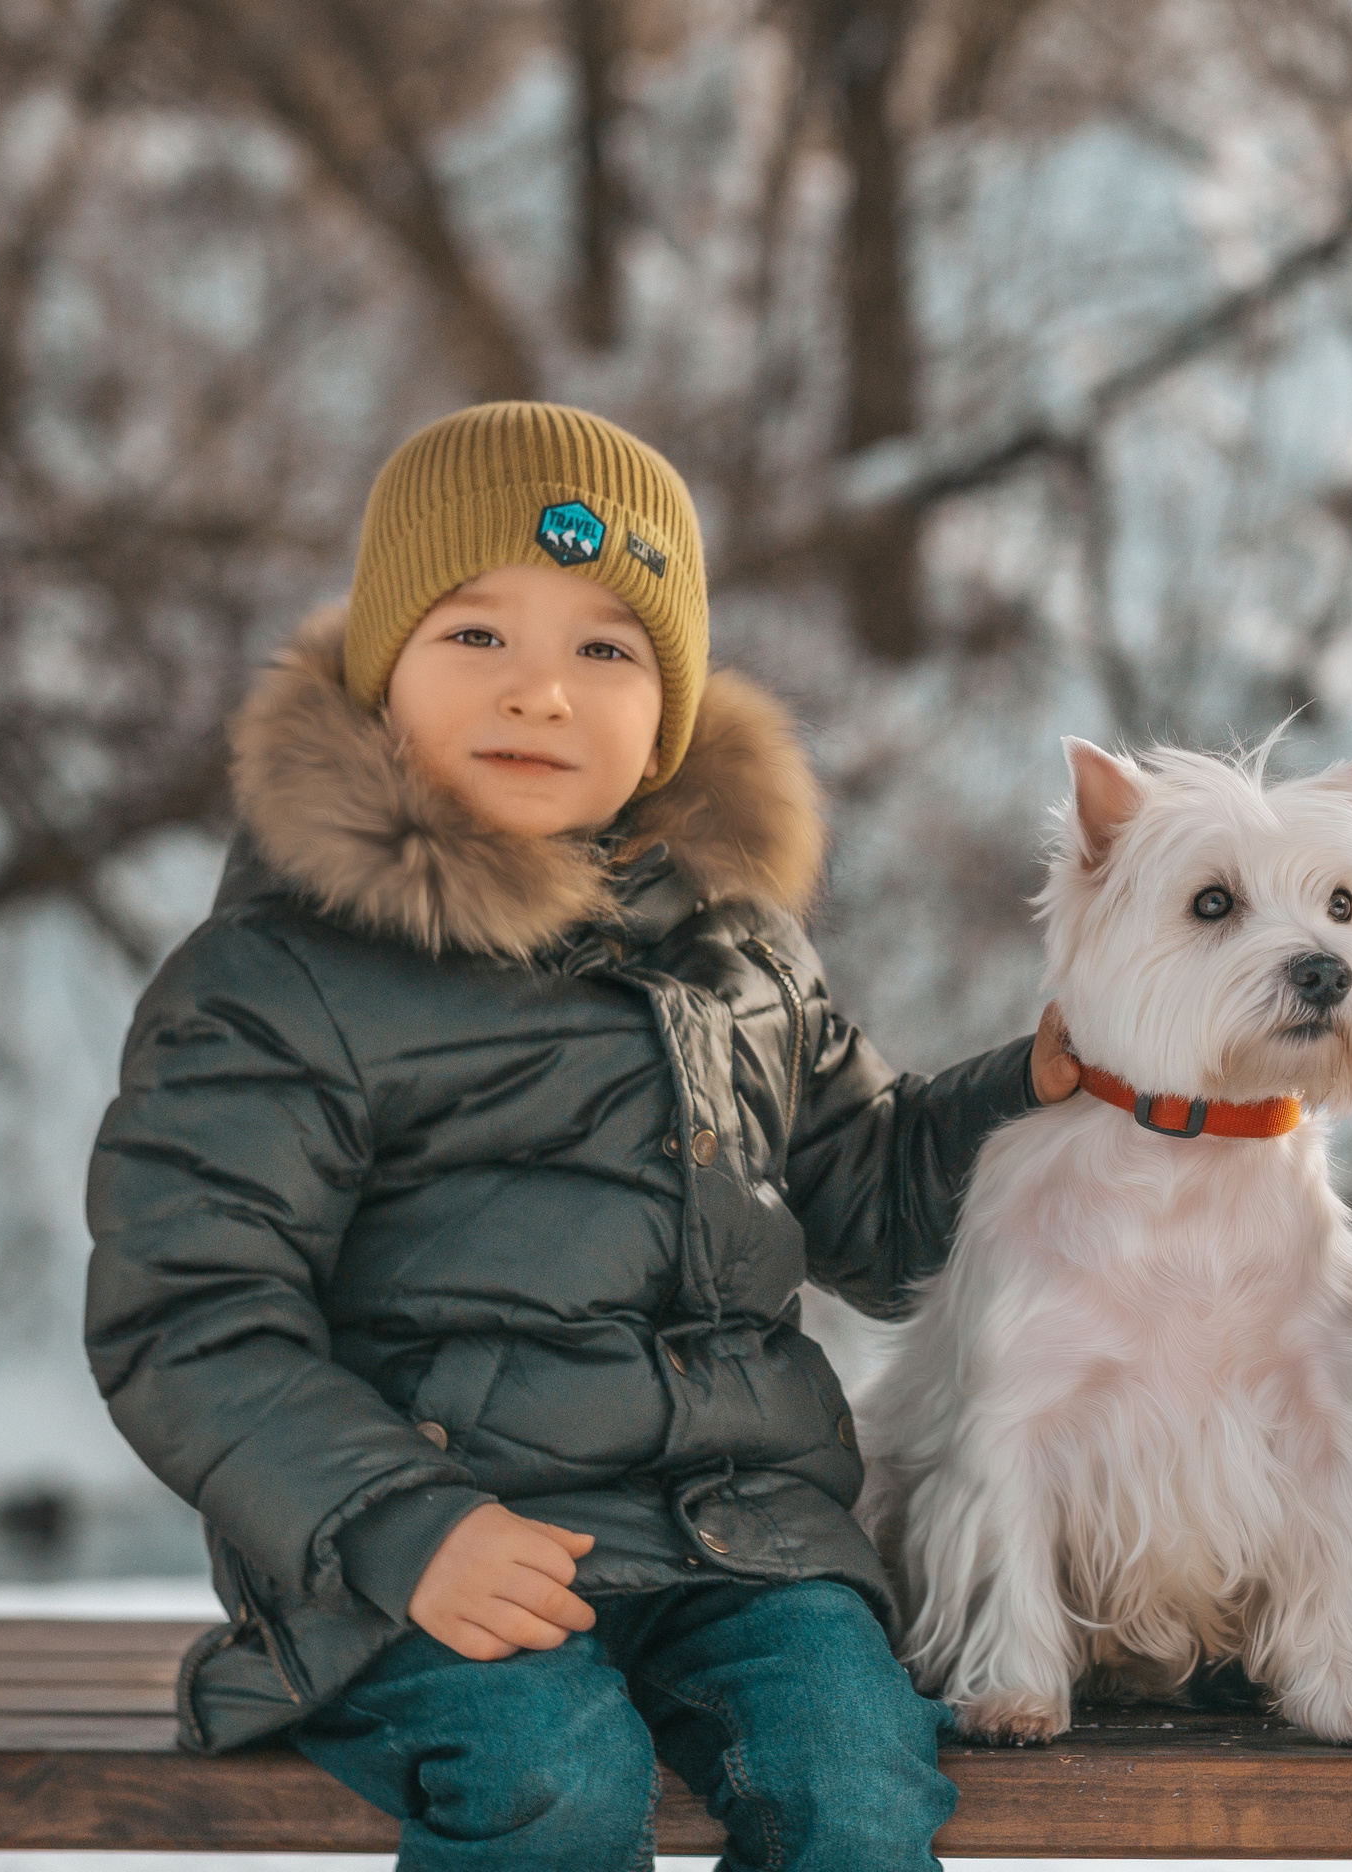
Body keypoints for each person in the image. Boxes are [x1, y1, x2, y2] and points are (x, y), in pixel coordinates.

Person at [84, 400, 1079, 1872]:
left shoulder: (743, 954)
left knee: (858, 1784)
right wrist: (402, 1527)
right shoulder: (280, 981)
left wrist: (1029, 1088)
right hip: (421, 1558)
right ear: (383, 673)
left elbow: (870, 1211)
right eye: (478, 637)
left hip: (741, 1545)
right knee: (558, 1779)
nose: (542, 693)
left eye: (606, 650)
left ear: (668, 710)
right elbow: (192, 1317)